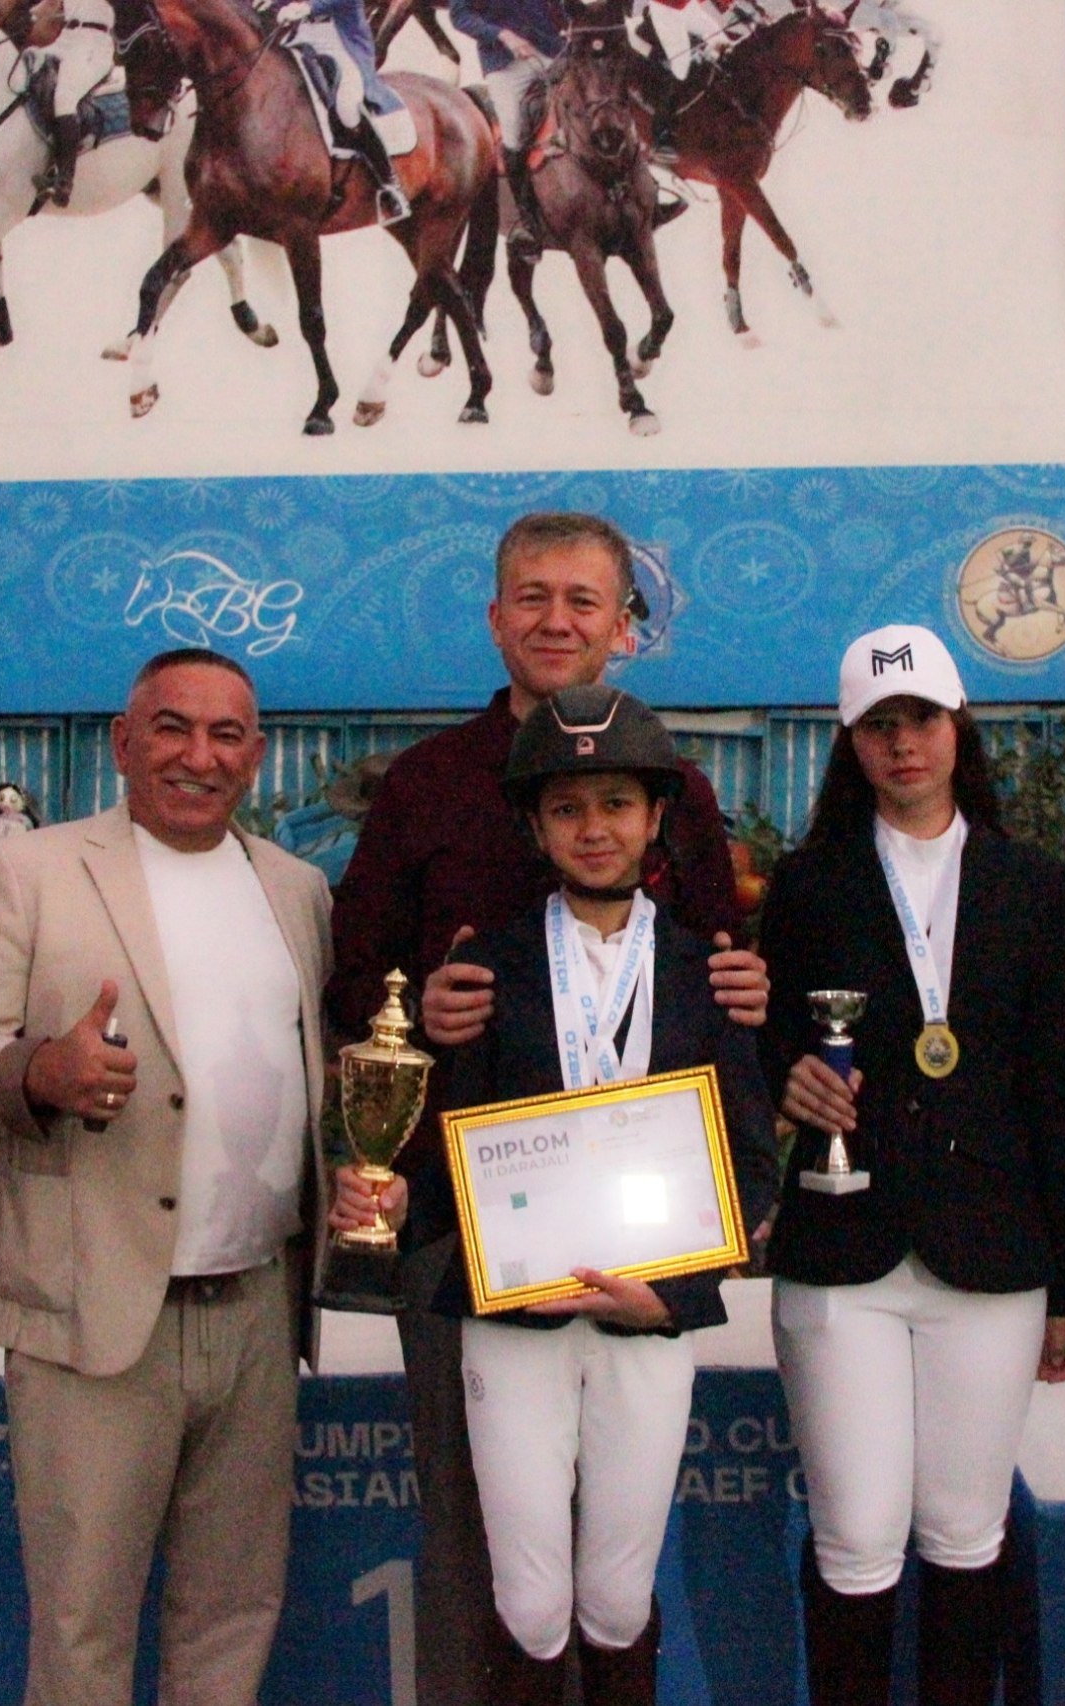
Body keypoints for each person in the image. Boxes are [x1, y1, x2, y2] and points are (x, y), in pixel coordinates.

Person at [329, 509, 766, 1706]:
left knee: (617, 1578)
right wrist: (417, 1011)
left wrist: (750, 983)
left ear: (623, 625)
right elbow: (356, 981)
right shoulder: (424, 785)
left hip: (649, 1258)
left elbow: (721, 996)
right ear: (495, 615)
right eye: (533, 595)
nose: (556, 618)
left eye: (583, 599)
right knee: (481, 1547)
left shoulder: (680, 790)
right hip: (472, 1236)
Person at [0, 649, 371, 1706]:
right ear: (124, 743)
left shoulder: (297, 888)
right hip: (95, 1307)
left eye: (225, 735)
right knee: (82, 1627)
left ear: (256, 756)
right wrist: (39, 1069)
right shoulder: (33, 871)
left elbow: (312, 1075)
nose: (197, 756)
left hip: (257, 1309)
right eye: (172, 727)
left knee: (233, 1615)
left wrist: (354, 1172)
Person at [755, 624, 1065, 1706]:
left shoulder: (1030, 884)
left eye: (922, 720)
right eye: (879, 725)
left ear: (960, 728)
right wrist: (789, 1080)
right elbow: (768, 1044)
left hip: (990, 1254)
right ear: (851, 742)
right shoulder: (807, 885)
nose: (903, 744)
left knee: (964, 1530)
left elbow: (1053, 1083)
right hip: (842, 1242)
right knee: (856, 1535)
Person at [421, 684, 779, 1704]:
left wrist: (673, 1296)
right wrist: (451, 1233)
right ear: (534, 826)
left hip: (648, 1316)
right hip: (517, 1319)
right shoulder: (485, 968)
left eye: (617, 803)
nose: (594, 828)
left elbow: (752, 1159)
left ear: (657, 816)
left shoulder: (708, 972)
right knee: (530, 1597)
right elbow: (451, 1145)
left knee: (618, 1595)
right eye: (567, 807)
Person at [268, 0, 416, 223]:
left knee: (348, 110)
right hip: (299, 40)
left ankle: (390, 184)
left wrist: (308, 8)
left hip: (339, 44)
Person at [449, 0, 568, 249]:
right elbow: (460, 15)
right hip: (505, 61)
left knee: (600, 95)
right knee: (512, 132)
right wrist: (501, 35)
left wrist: (573, 22)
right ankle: (526, 220)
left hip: (554, 49)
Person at [37, 0, 118, 208]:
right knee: (27, 63)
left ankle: (64, 180)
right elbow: (50, 5)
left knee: (64, 98)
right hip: (66, 38)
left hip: (94, 43)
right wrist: (30, 15)